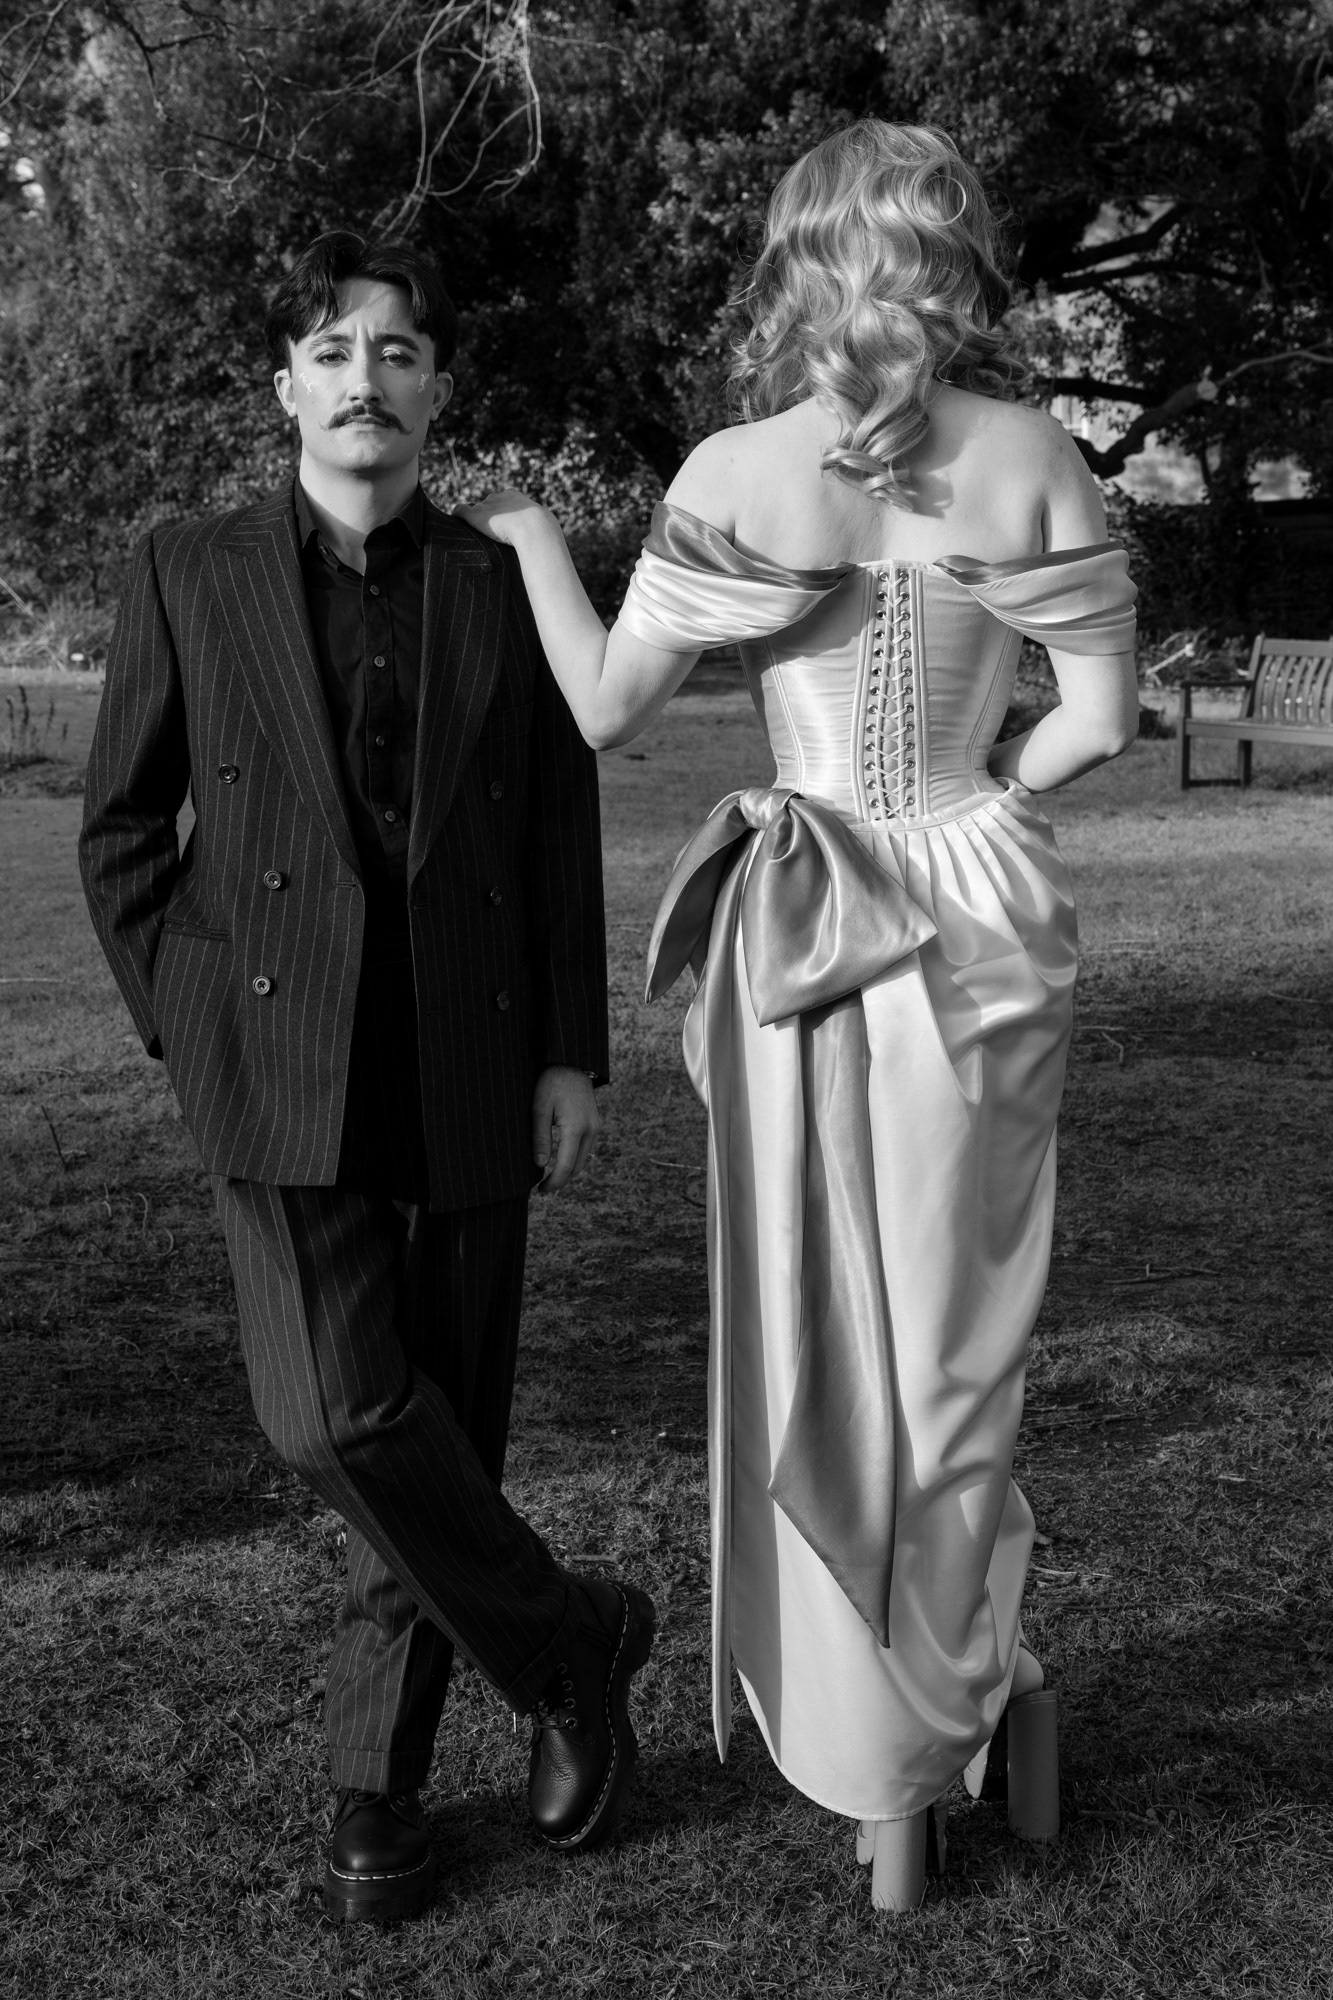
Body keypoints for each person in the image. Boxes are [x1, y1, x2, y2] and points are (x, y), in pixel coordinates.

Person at [461, 121, 1138, 1909]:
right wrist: (982, 788)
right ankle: (986, 1701)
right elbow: (1097, 724)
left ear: (797, 259)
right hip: (977, 909)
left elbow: (607, 706)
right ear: (956, 254)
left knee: (819, 1326)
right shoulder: (1036, 456)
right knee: (957, 1327)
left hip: (801, 917)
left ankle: (886, 1763)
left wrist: (532, 532)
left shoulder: (737, 469)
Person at [79, 231, 655, 1923]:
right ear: (286, 388)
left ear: (436, 392)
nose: (363, 378)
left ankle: (376, 1788)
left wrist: (569, 1051)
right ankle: (566, 1639)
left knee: (443, 1430)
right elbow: (121, 828)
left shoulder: (496, 583)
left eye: (396, 353)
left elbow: (558, 831)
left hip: (473, 1051)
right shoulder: (186, 567)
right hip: (274, 1060)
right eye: (330, 350)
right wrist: (192, 1030)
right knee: (330, 1415)